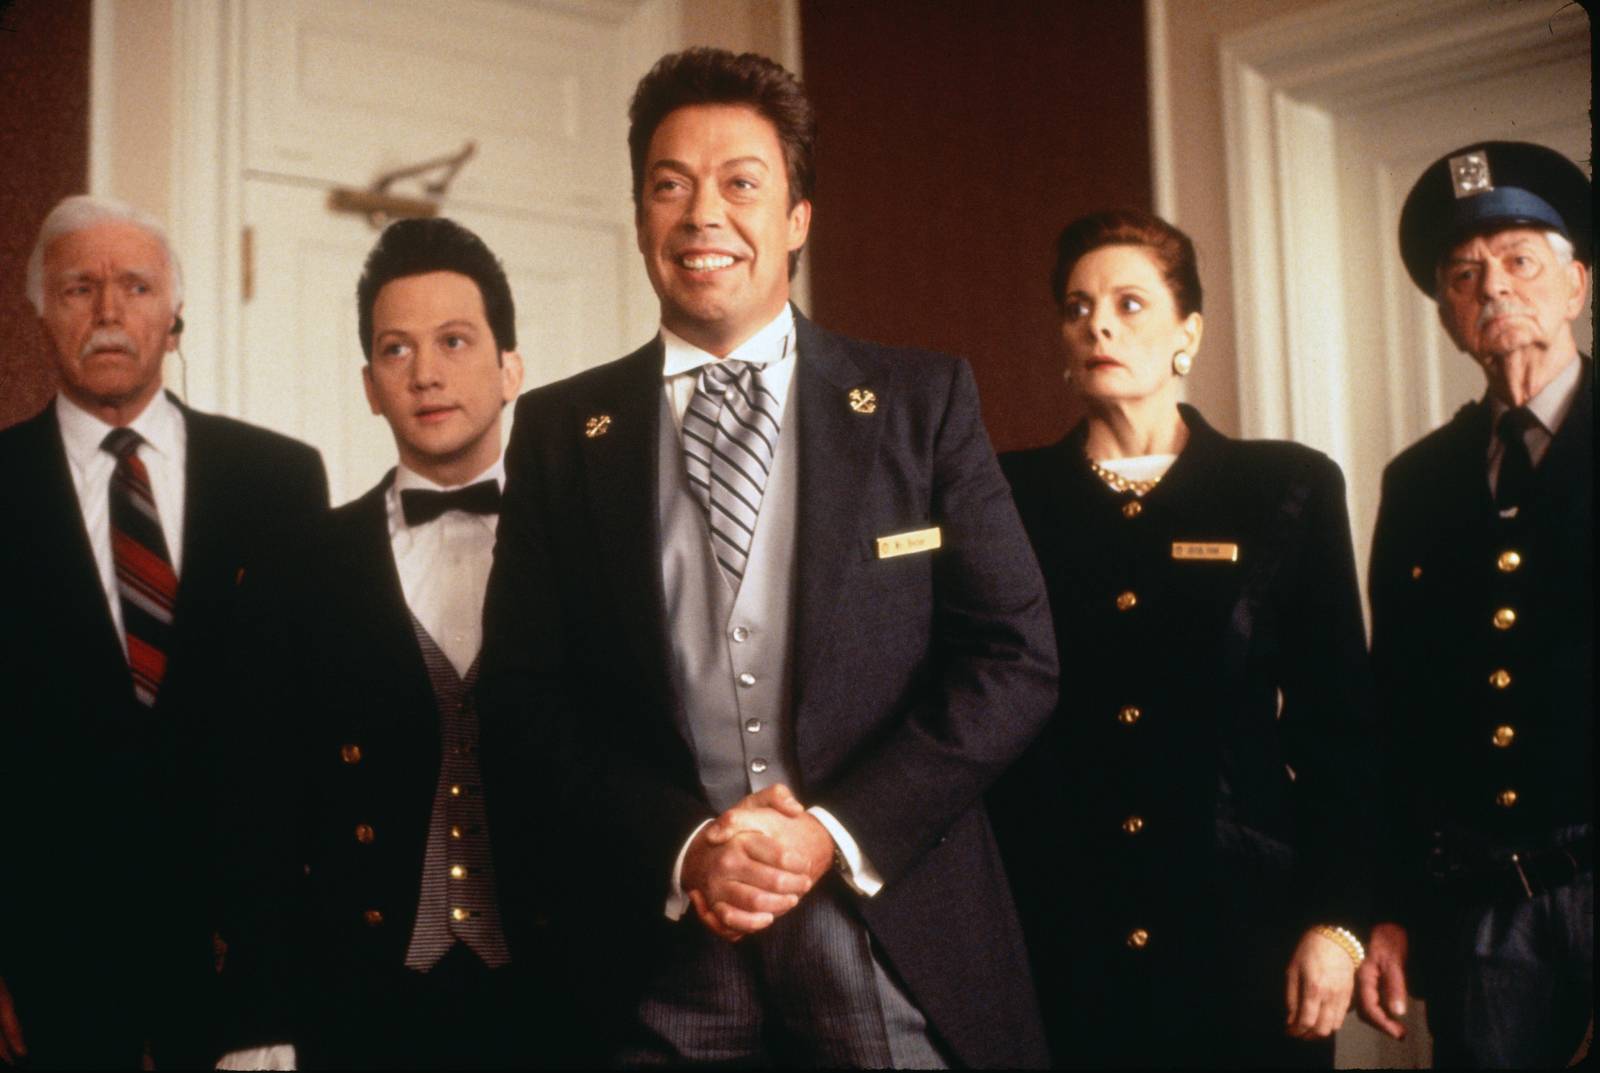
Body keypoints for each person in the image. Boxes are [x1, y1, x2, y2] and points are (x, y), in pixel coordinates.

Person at [476, 47, 1058, 1068]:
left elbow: (1016, 660)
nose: (703, 215)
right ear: (641, 217)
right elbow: (526, 695)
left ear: (797, 217)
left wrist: (829, 832)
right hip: (653, 955)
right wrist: (688, 846)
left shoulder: (920, 404)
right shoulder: (564, 430)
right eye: (670, 186)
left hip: (884, 929)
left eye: (741, 183)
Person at [989, 208, 1378, 1068]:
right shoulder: (1007, 494)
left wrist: (1338, 922)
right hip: (1061, 934)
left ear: (1187, 333)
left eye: (1129, 304)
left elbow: (1340, 728)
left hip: (1245, 931)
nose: (1098, 324)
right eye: (1078, 307)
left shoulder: (1285, 487)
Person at [212, 217, 588, 1069]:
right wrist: (259, 1015)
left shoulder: (588, 546)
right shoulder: (297, 564)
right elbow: (253, 807)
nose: (425, 373)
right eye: (396, 349)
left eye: (455, 340)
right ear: (370, 386)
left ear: (511, 368)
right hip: (357, 1000)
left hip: (560, 999)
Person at [0, 195, 328, 1069]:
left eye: (137, 286)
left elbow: (313, 732)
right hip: (50, 964)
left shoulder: (281, 480)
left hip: (245, 965)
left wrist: (299, 955)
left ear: (174, 312)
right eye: (79, 287)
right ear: (41, 310)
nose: (109, 310)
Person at [1358, 141, 1592, 1068]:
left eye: (1519, 261)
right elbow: (1390, 707)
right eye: (1463, 275)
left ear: (1577, 285)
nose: (1492, 286)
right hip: (1481, 906)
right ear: (1449, 317)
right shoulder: (1418, 481)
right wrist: (1387, 904)